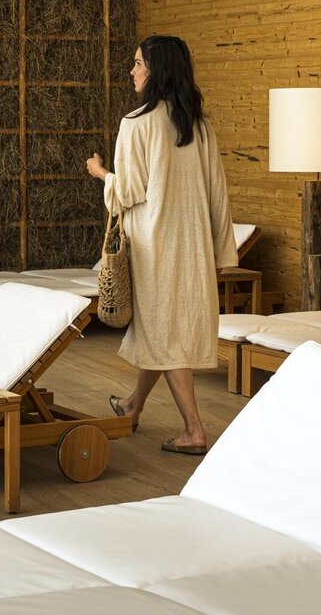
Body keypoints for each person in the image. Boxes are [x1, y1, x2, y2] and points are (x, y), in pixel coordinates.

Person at [85, 35, 237, 455]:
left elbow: (130, 191)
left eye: (138, 63)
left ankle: (194, 430)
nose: (132, 71)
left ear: (157, 69)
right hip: (193, 247)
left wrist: (101, 173)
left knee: (164, 335)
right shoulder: (198, 125)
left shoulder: (137, 123)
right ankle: (132, 406)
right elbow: (217, 193)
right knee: (159, 329)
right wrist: (223, 254)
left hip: (154, 246)